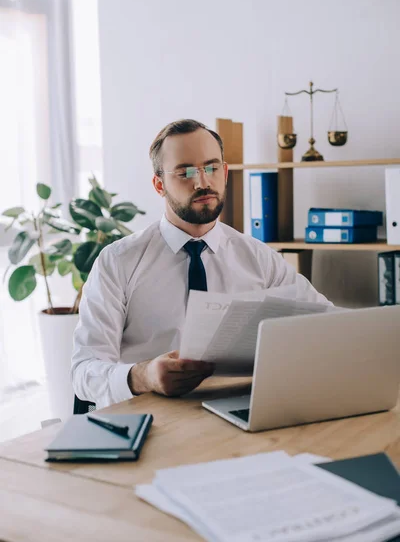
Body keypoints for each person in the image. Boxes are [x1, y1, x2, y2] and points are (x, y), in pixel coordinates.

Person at [72, 119, 332, 408]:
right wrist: (143, 376)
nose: (203, 182)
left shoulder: (258, 258)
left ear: (225, 172)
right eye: (185, 172)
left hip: (242, 413)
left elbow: (327, 323)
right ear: (159, 185)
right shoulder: (118, 262)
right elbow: (84, 371)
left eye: (211, 168)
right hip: (151, 422)